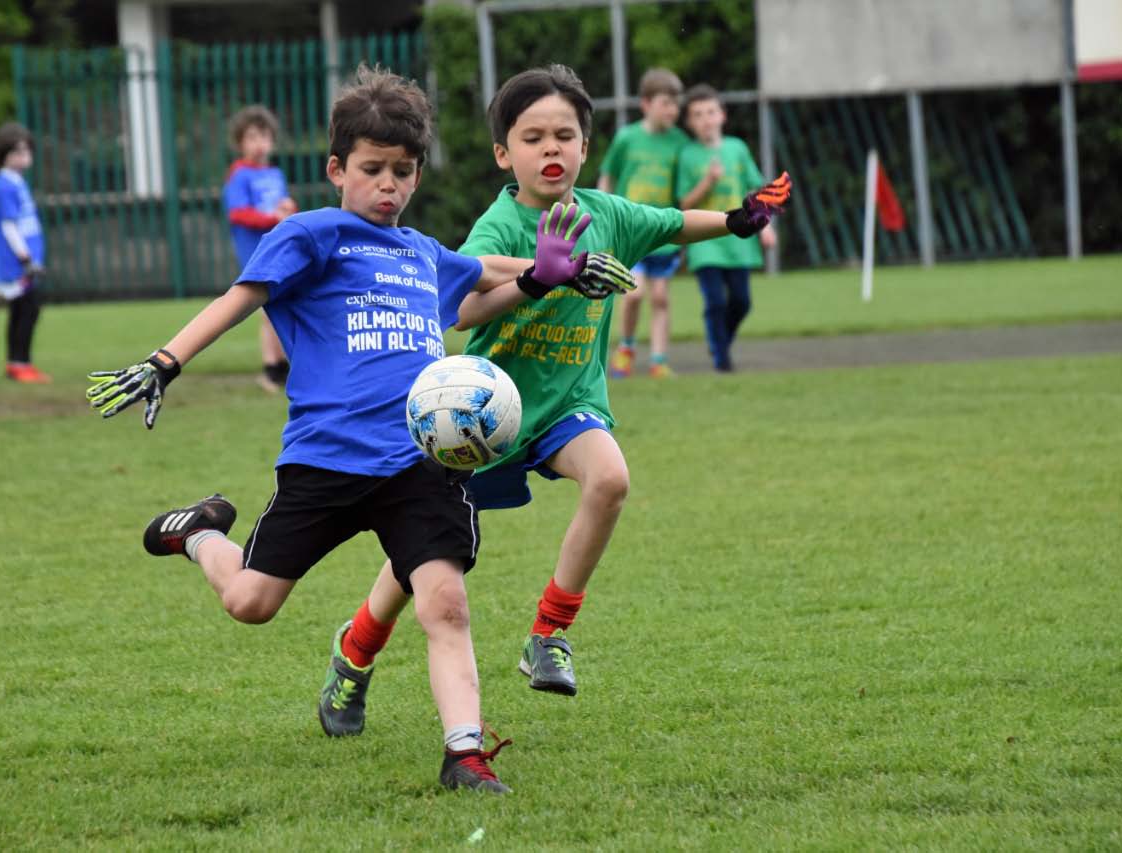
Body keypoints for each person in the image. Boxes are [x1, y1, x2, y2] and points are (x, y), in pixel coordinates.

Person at [85, 66, 618, 794]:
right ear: (337, 169)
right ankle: (199, 532)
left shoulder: (422, 253)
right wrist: (166, 359)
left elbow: (480, 280)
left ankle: (464, 753)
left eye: (402, 172)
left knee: (445, 600)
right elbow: (239, 298)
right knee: (250, 603)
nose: (387, 185)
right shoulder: (311, 234)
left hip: (418, 462)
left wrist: (542, 276)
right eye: (370, 170)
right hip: (325, 461)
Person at [318, 65, 789, 733]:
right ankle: (354, 653)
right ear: (503, 154)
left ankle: (548, 633)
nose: (551, 149)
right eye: (532, 136)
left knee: (610, 478)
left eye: (564, 135)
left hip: (566, 409)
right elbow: (460, 311)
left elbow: (672, 223)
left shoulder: (606, 215)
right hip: (479, 421)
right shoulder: (501, 226)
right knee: (419, 559)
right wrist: (538, 277)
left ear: (585, 146)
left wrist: (739, 220)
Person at [675, 84, 778, 373]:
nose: (706, 119)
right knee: (716, 301)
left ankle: (720, 341)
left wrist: (766, 227)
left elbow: (756, 190)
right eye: (698, 115)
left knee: (742, 302)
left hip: (739, 240)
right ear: (690, 123)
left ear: (722, 115)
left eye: (711, 112)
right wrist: (707, 181)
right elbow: (684, 202)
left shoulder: (737, 148)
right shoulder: (688, 155)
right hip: (706, 241)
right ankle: (722, 362)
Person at [598, 68, 691, 379]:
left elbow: (684, 189)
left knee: (661, 296)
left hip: (662, 231)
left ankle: (659, 359)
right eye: (666, 103)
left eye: (676, 104)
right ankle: (625, 348)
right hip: (630, 231)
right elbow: (608, 175)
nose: (672, 111)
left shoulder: (680, 142)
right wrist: (601, 212)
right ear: (646, 104)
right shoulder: (627, 138)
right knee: (634, 293)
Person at [223, 105, 296, 393]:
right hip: (256, 250)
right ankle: (272, 369)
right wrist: (271, 218)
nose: (259, 144)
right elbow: (238, 213)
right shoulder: (239, 175)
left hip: (280, 247)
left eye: (263, 136)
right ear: (240, 142)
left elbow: (281, 207)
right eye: (251, 137)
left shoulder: (274, 174)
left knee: (281, 304)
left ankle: (281, 366)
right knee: (267, 307)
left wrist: (289, 210)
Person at [0, 122, 50, 383]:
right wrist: (25, 257)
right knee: (27, 309)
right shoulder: (4, 185)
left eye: (26, 151)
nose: (24, 157)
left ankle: (18, 363)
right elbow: (8, 225)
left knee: (23, 309)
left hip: (25, 261)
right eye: (17, 152)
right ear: (4, 155)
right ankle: (20, 363)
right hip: (17, 264)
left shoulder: (16, 182)